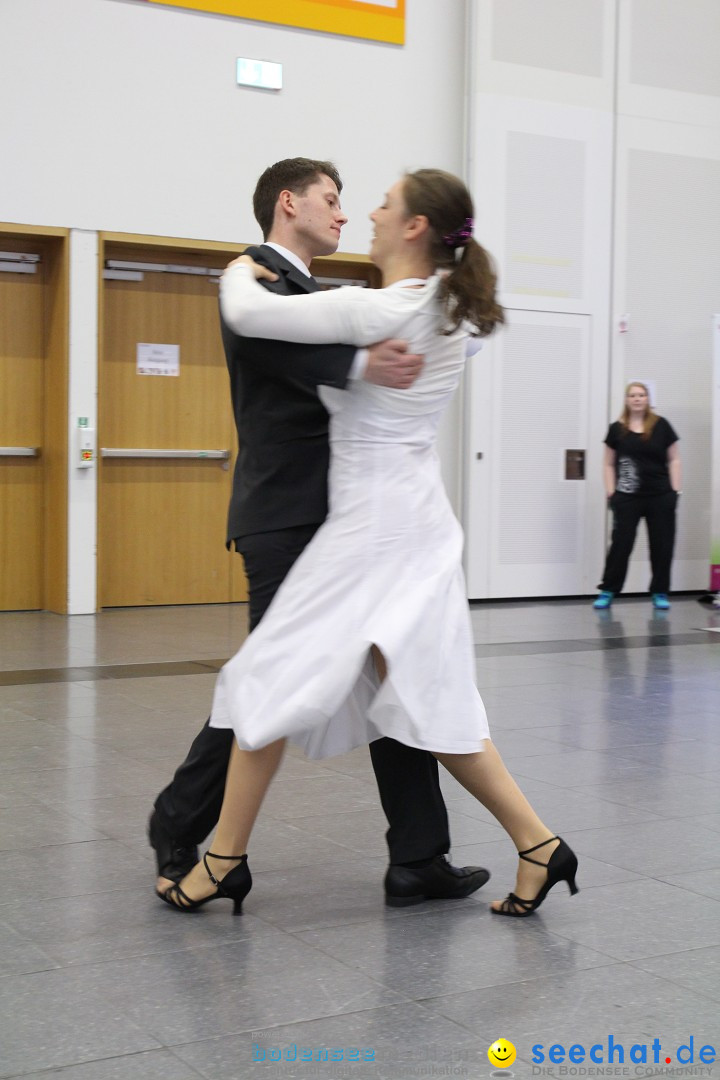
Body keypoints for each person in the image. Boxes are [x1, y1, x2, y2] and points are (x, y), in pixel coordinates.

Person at [158, 168, 579, 920]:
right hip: (411, 523)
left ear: (415, 227)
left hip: (373, 533)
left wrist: (234, 266)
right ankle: (540, 847)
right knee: (428, 703)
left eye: (384, 205)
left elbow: (249, 314)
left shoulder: (371, 307)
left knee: (267, 678)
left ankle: (222, 860)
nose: (369, 217)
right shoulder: (451, 310)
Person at [593, 382, 681, 611]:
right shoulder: (616, 429)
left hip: (660, 496)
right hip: (627, 497)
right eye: (633, 395)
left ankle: (660, 592)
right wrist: (612, 491)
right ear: (626, 399)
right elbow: (608, 463)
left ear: (648, 399)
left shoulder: (662, 426)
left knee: (662, 545)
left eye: (641, 395)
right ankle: (608, 590)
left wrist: (675, 491)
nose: (637, 399)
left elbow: (674, 459)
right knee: (621, 545)